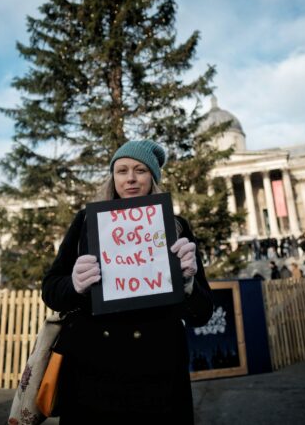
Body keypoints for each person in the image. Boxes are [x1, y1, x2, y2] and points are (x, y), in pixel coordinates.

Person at [42, 140, 214, 425]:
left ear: (153, 178)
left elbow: (202, 313)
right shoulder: (86, 221)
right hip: (91, 372)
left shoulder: (177, 225)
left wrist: (188, 284)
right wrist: (73, 284)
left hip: (158, 374)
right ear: (113, 177)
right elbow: (50, 290)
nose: (130, 178)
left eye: (141, 170)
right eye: (121, 170)